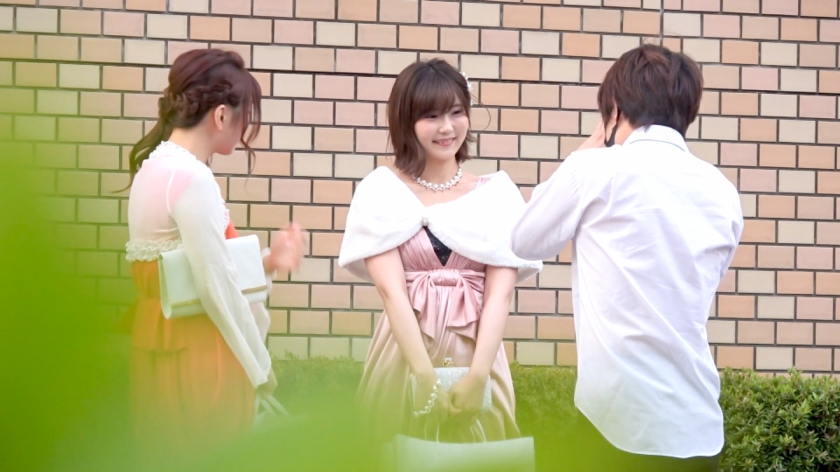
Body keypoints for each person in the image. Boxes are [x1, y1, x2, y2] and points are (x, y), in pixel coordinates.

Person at [510, 44, 743, 471]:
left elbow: (524, 240)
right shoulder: (723, 192)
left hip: (618, 422)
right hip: (698, 426)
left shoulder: (594, 170)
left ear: (614, 108)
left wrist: (589, 147)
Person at [338, 59, 542, 446]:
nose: (447, 127)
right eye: (431, 116)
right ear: (406, 121)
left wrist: (478, 376)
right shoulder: (381, 191)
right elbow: (391, 291)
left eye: (456, 112)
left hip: (479, 359)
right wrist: (424, 377)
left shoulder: (497, 195)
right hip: (403, 359)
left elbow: (500, 295)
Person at [123, 49, 305, 462]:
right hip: (200, 349)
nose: (245, 131)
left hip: (157, 343)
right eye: (244, 118)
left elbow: (184, 269)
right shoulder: (192, 178)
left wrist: (268, 262)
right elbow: (215, 284)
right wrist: (259, 366)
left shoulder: (154, 167)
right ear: (221, 116)